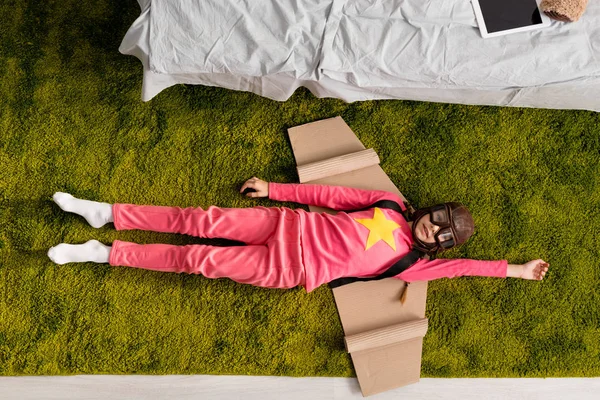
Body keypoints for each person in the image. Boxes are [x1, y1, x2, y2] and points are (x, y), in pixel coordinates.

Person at [47, 177, 549, 292]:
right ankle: (106, 213)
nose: (431, 228)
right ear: (431, 209)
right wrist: (274, 189)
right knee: (196, 219)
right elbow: (332, 195)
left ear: (439, 246)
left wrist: (517, 269)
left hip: (290, 269)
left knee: (195, 259)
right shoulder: (391, 205)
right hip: (286, 223)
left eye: (440, 235)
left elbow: (465, 266)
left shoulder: (412, 265)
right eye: (437, 218)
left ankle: (102, 252)